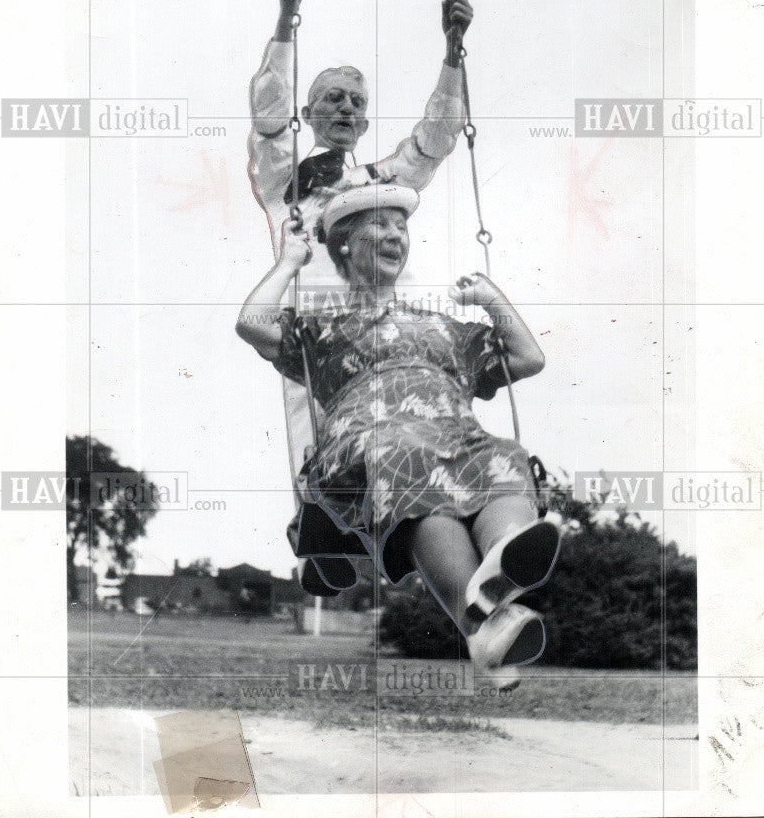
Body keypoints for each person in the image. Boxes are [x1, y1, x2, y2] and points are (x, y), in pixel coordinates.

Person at [236, 185, 561, 680]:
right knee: (406, 459)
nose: (395, 235)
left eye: (401, 226)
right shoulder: (321, 329)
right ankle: (480, 612)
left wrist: (493, 299)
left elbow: (527, 358)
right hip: (371, 444)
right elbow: (251, 323)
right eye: (380, 225)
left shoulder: (444, 326)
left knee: (504, 456)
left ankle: (504, 565)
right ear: (344, 244)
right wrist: (289, 262)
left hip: (454, 436)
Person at [247, 0, 473, 593]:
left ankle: (410, 532)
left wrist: (453, 53)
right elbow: (266, 117)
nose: (345, 109)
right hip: (314, 324)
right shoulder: (283, 181)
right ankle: (321, 534)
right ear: (311, 115)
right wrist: (286, 19)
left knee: (397, 429)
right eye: (331, 100)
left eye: (356, 102)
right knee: (312, 421)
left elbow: (435, 138)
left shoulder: (381, 182)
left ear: (365, 121)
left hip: (376, 326)